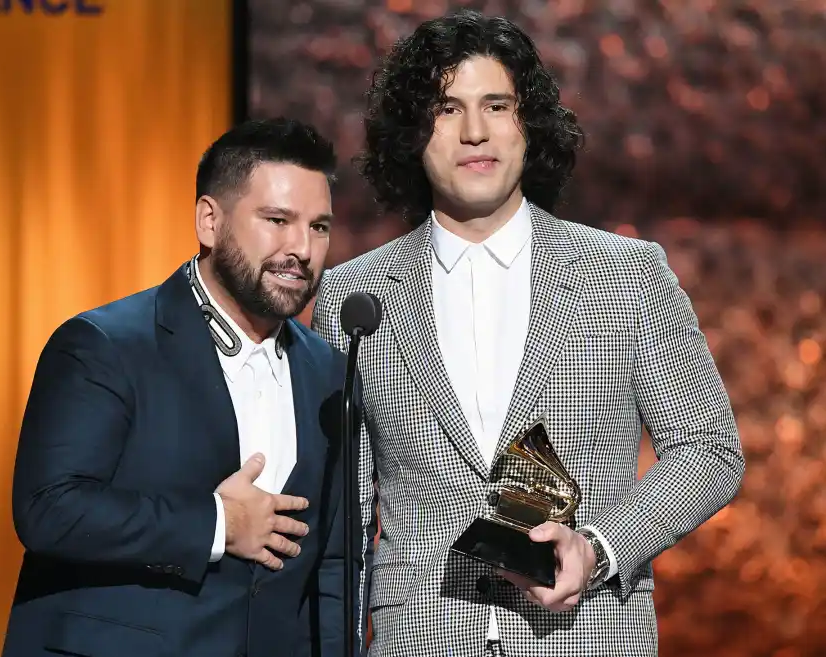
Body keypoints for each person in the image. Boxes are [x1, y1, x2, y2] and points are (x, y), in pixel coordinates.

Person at [311, 10, 744, 657]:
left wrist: (599, 546)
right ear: (412, 130)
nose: (475, 131)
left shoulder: (625, 275)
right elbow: (343, 516)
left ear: (528, 122)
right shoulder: (354, 294)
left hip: (587, 635)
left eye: (496, 105)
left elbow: (708, 449)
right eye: (447, 108)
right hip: (421, 638)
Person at [2, 117, 359, 657]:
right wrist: (219, 524)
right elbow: (50, 508)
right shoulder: (105, 344)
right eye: (277, 219)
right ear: (209, 221)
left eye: (319, 227)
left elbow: (330, 567)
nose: (302, 249)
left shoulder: (328, 371)